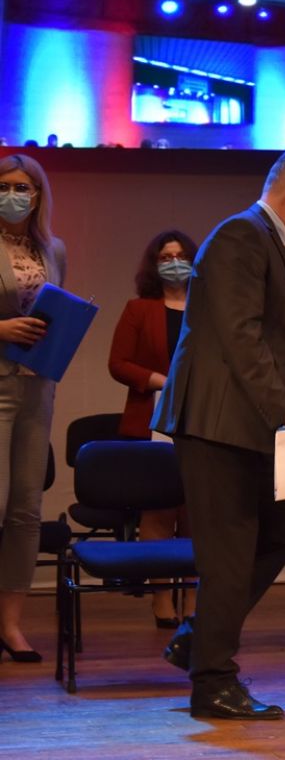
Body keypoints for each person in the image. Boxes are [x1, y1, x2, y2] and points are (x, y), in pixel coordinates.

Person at [152, 149, 285, 719]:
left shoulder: (271, 243)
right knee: (228, 555)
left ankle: (198, 639)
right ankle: (213, 684)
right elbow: (240, 335)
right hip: (220, 424)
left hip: (250, 426)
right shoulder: (241, 235)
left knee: (284, 529)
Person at [107, 229, 199, 628]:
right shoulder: (138, 309)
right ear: (154, 264)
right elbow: (118, 363)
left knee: (195, 511)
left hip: (202, 419)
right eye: (165, 257)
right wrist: (163, 381)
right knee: (159, 510)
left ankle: (193, 596)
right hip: (151, 418)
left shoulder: (208, 306)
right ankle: (161, 598)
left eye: (181, 256)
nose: (174, 263)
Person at [0, 154, 66, 663]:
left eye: (23, 187)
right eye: (4, 186)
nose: (14, 195)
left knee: (26, 507)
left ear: (38, 195)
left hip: (37, 386)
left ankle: (11, 625)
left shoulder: (53, 249)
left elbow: (57, 312)